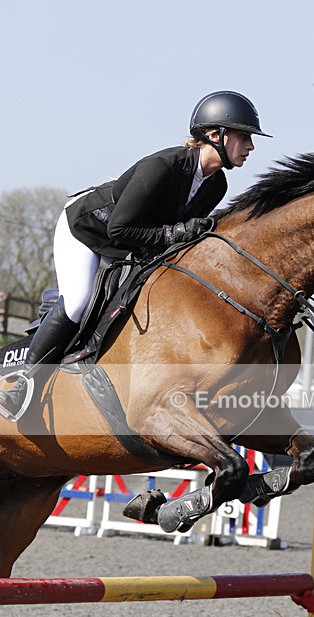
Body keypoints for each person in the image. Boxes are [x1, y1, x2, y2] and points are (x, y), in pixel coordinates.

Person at [0, 91, 271, 421]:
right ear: (215, 135)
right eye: (243, 137)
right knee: (78, 300)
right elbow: (120, 230)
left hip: (132, 244)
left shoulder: (217, 186)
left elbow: (169, 239)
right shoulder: (162, 167)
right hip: (87, 231)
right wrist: (176, 233)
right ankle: (22, 386)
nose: (250, 147)